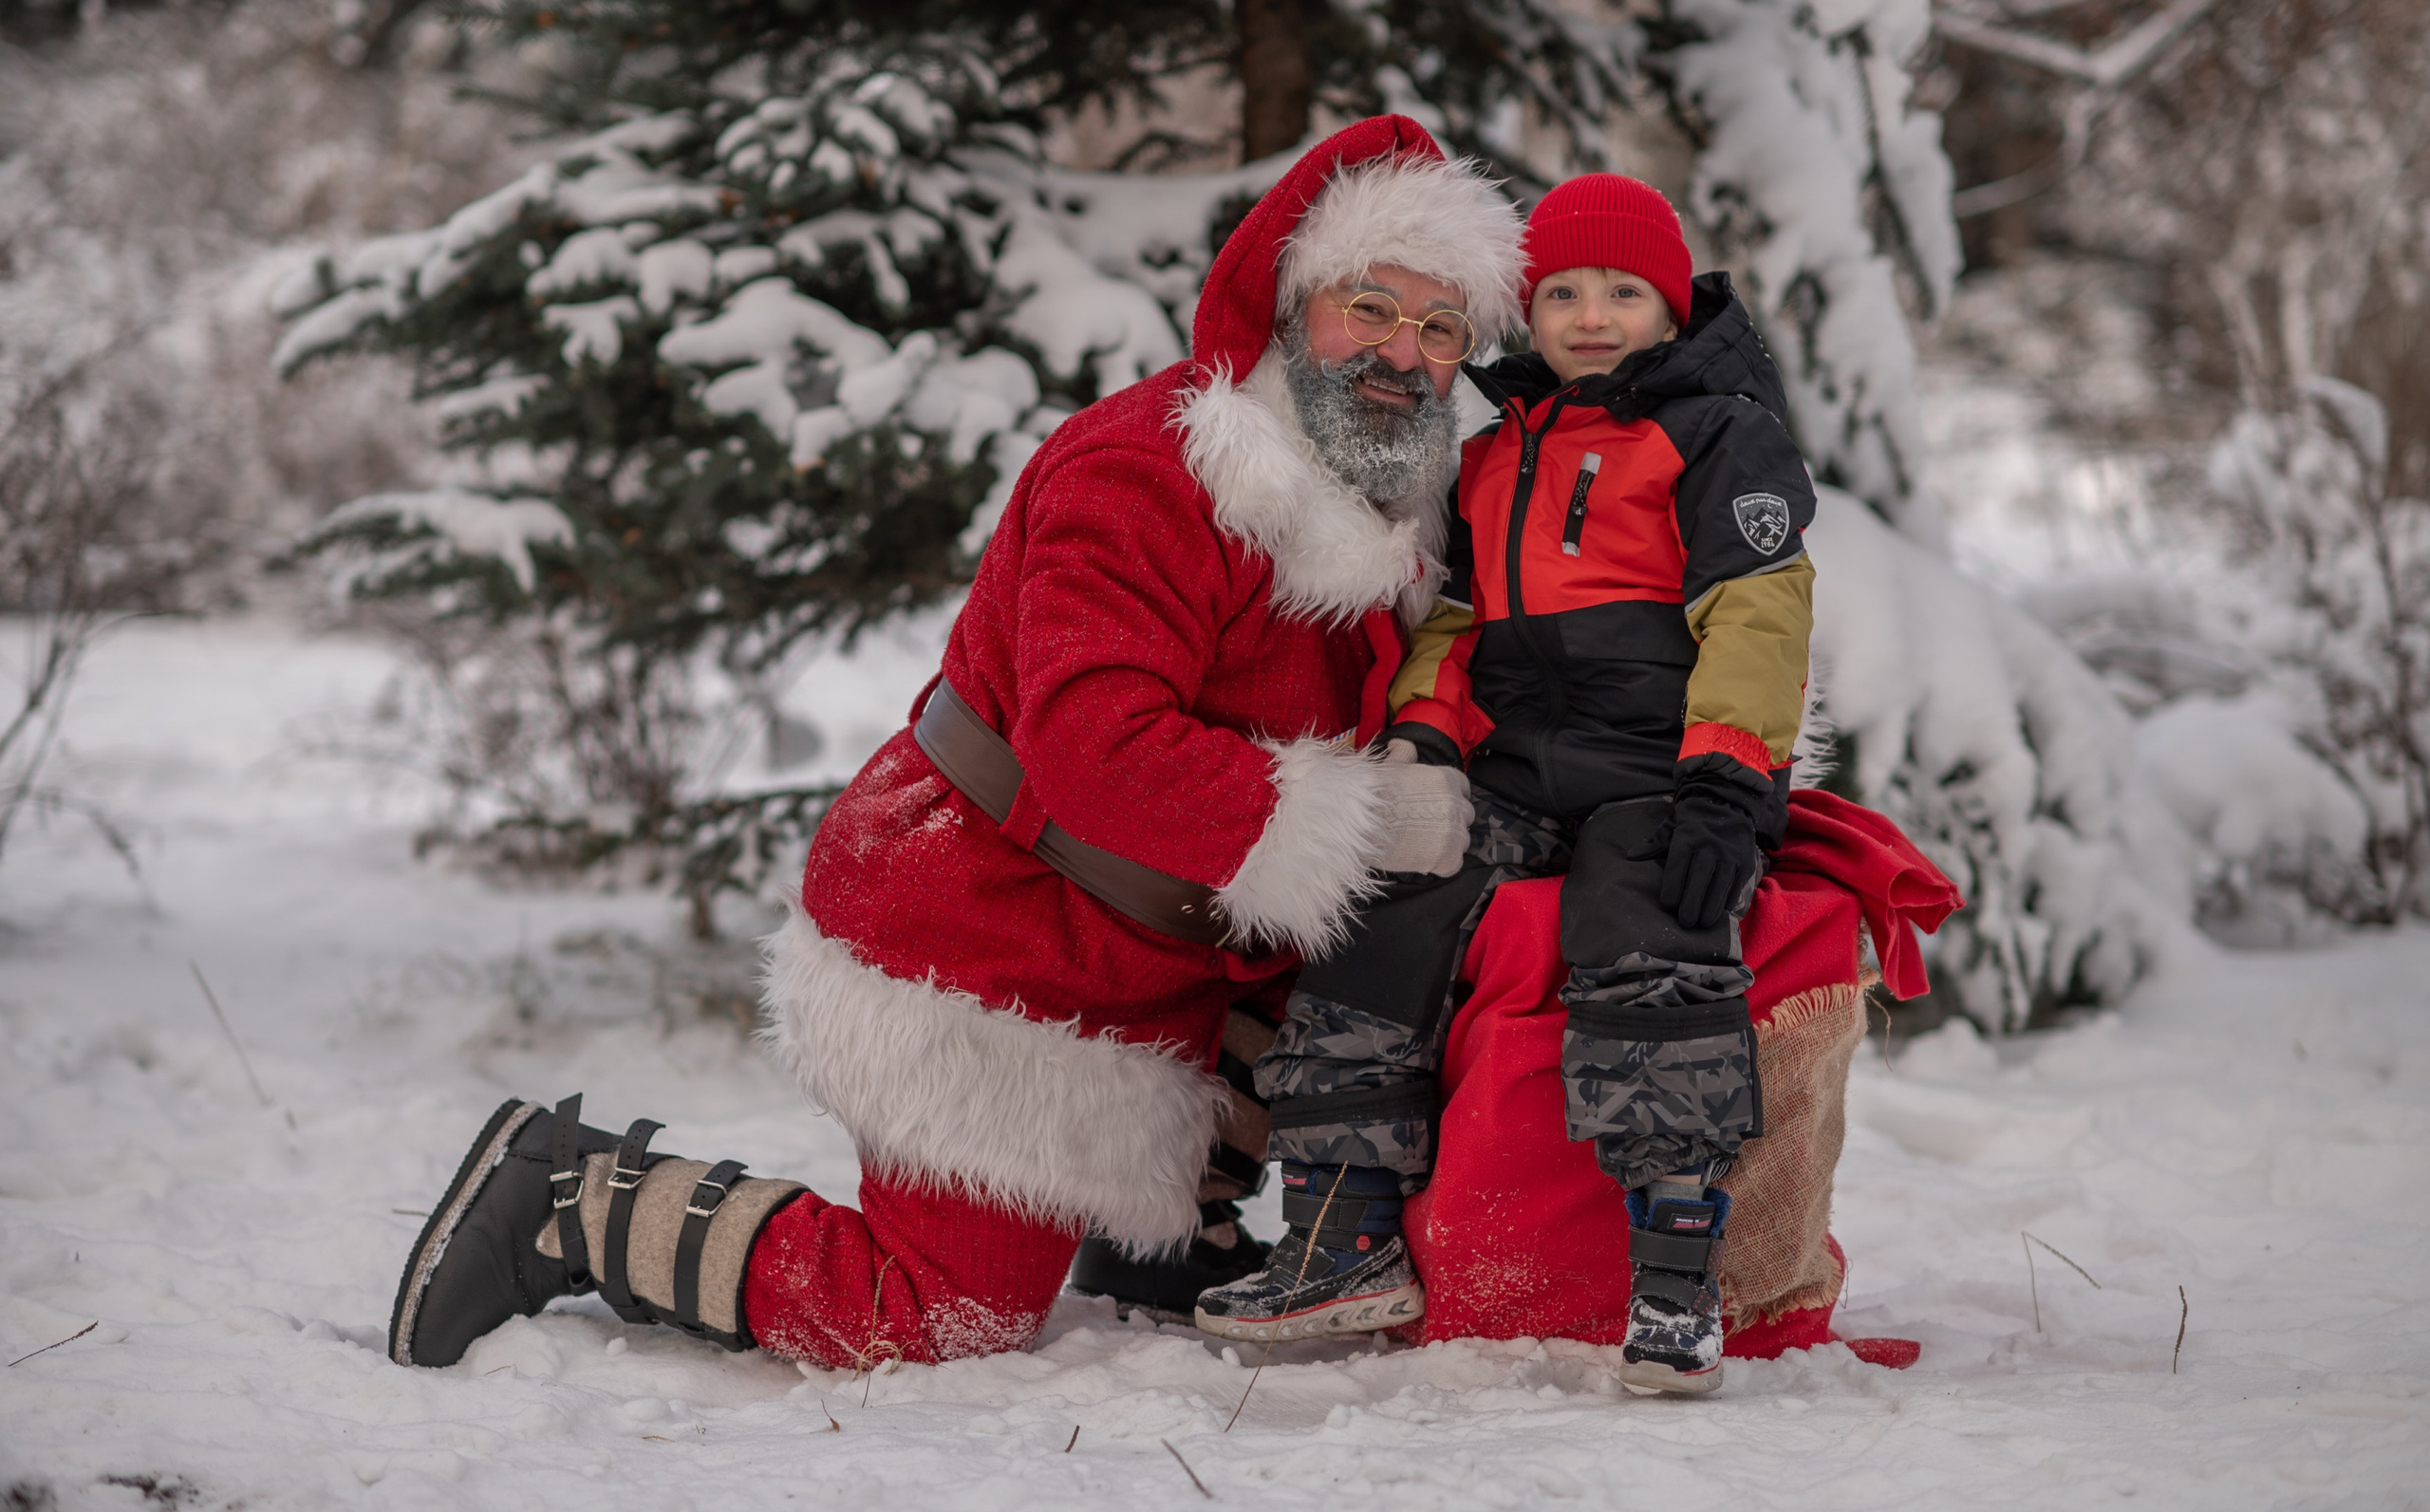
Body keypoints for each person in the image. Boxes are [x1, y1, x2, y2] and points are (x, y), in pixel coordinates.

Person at [383, 115, 1524, 1372]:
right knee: (938, 1315)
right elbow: (1100, 746)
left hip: (1164, 957)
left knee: (1413, 941)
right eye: (1373, 307)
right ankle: (573, 1195)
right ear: (1291, 299)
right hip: (990, 930)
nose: (1403, 355)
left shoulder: (1389, 526)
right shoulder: (1151, 471)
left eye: (1439, 329)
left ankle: (1160, 1231)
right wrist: (1367, 824)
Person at [1197, 174, 1818, 1397]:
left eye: (1624, 292)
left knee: (1649, 939)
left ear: (1673, 304)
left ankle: (1675, 1279)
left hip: (1657, 768)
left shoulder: (1714, 431)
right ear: (1527, 312)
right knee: (1383, 905)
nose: (1593, 315)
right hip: (1517, 768)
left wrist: (1731, 782)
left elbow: (1759, 612)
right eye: (1564, 293)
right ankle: (1343, 1233)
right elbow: (1460, 618)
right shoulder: (1496, 449)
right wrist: (1426, 739)